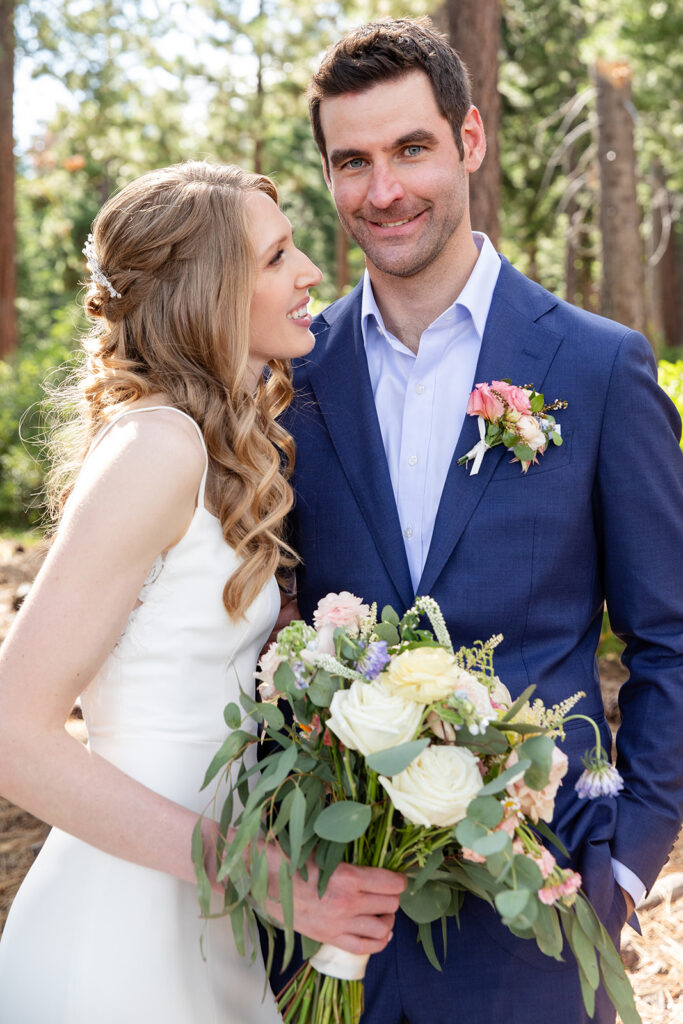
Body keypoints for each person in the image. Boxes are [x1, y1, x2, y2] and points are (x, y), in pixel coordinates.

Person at [274, 18, 683, 1024]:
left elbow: (668, 633)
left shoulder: (595, 366)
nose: (383, 191)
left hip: (540, 914)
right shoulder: (286, 375)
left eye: (410, 148)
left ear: (468, 140)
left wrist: (628, 856)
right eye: (351, 161)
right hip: (325, 920)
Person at [0, 161, 405, 1024]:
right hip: (119, 931)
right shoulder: (159, 447)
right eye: (276, 257)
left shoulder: (203, 445)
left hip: (200, 907)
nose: (308, 275)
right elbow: (12, 735)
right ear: (204, 293)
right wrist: (268, 877)